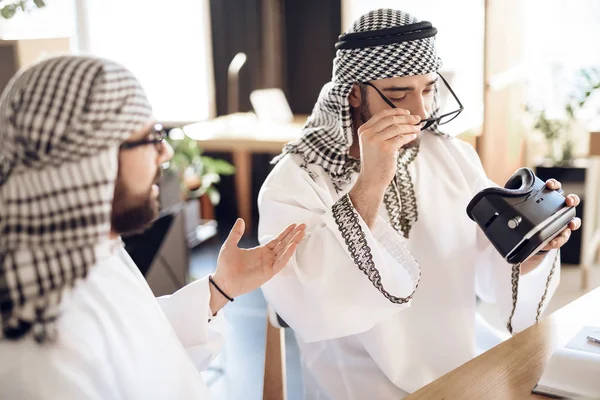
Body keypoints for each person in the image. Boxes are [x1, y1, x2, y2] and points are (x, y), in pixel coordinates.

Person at [258, 8, 581, 399]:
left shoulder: (452, 157)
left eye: (428, 89)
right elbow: (310, 301)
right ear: (354, 92)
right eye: (398, 94)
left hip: (463, 368)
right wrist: (372, 181)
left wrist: (532, 251)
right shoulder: (297, 179)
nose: (422, 112)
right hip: (356, 385)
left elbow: (489, 264)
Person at [0, 55, 306, 399]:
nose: (164, 153)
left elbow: (143, 347)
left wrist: (220, 288)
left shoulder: (90, 254)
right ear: (93, 157)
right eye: (150, 137)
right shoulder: (41, 346)